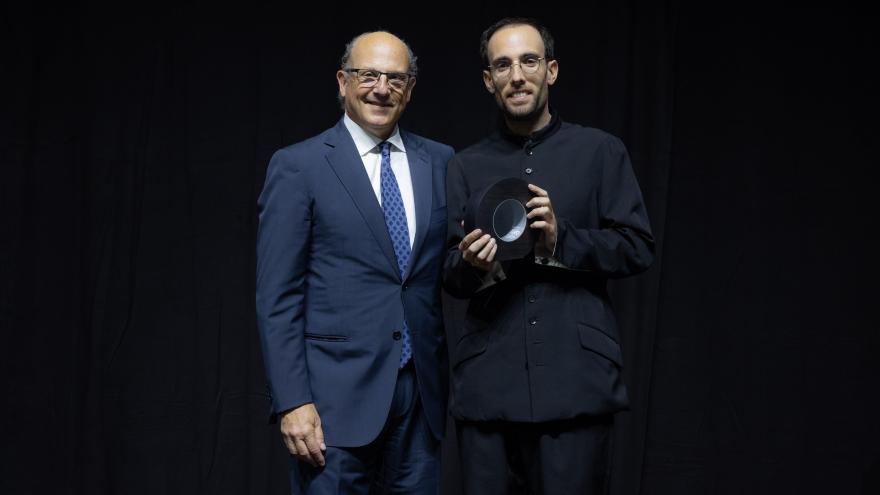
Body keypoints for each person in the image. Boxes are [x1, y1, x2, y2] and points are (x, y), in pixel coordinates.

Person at [443, 17, 655, 494]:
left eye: (529, 61)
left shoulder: (601, 151)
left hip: (576, 381)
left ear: (551, 70)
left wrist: (559, 240)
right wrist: (475, 265)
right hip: (487, 386)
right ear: (488, 81)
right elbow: (450, 275)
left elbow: (638, 247)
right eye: (503, 65)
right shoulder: (464, 164)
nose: (517, 75)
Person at [256, 31, 453, 494]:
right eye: (368, 75)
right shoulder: (298, 166)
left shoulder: (442, 162)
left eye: (395, 78)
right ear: (343, 82)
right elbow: (277, 297)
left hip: (420, 401)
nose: (381, 88)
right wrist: (293, 401)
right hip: (331, 404)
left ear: (411, 88)